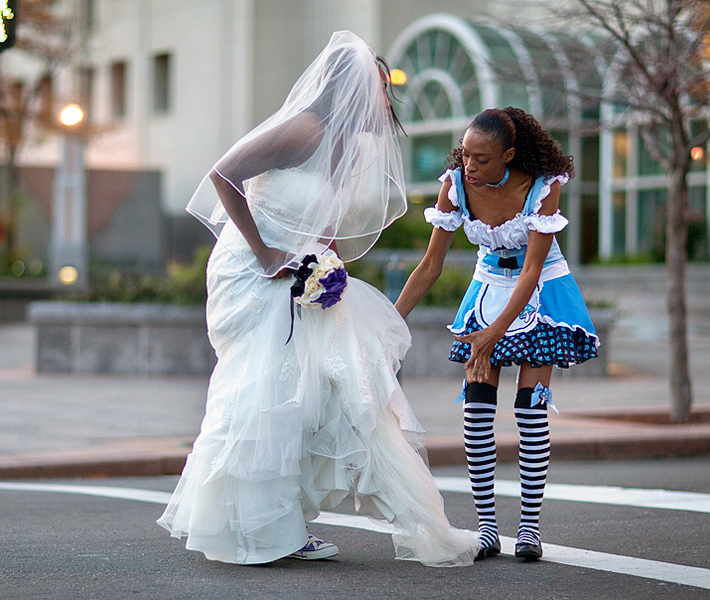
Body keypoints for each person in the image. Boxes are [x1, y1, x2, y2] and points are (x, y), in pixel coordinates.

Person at [157, 31, 479, 567]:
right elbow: (223, 175)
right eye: (379, 88)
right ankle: (258, 530)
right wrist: (264, 253)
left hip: (300, 270)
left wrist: (326, 270)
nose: (385, 101)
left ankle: (280, 522)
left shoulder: (347, 147)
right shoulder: (303, 130)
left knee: (314, 386)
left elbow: (320, 224)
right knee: (265, 385)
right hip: (253, 267)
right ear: (347, 89)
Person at [395, 107, 600, 562]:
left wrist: (494, 333)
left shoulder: (543, 187)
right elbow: (431, 265)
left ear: (509, 154)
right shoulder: (455, 186)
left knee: (530, 413)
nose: (470, 165)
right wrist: (391, 321)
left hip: (541, 292)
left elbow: (530, 271)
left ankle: (529, 530)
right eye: (466, 154)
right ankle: (487, 528)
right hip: (487, 288)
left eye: (482, 158)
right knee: (476, 412)